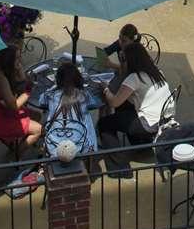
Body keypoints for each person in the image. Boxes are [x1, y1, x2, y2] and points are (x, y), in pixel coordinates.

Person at [98, 43, 172, 175]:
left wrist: (105, 89)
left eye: (123, 59)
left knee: (104, 124)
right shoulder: (157, 72)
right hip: (163, 119)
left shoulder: (134, 78)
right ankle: (140, 144)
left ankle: (118, 167)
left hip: (148, 124)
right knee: (124, 106)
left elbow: (114, 102)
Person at [0, 47, 43, 153]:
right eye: (17, 58)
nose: (20, 61)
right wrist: (28, 92)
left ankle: (17, 141)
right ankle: (16, 154)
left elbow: (18, 85)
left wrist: (20, 73)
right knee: (39, 130)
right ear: (9, 61)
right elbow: (14, 106)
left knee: (37, 115)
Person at [36, 62, 102, 158]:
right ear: (78, 79)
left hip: (54, 147)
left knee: (49, 115)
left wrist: (53, 87)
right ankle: (92, 153)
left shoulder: (51, 95)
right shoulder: (84, 95)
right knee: (87, 118)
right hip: (81, 147)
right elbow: (94, 103)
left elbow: (41, 101)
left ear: (58, 79)